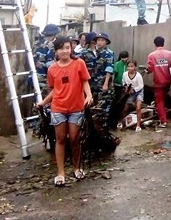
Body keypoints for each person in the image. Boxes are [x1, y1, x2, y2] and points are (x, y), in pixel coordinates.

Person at [35, 36, 93, 187]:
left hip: (76, 108)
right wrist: (43, 102)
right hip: (59, 108)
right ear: (56, 51)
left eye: (67, 47)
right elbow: (55, 90)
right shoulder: (52, 69)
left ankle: (76, 167)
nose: (65, 51)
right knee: (60, 139)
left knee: (74, 138)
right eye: (61, 48)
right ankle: (60, 173)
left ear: (71, 48)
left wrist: (89, 95)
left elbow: (84, 81)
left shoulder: (79, 63)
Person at [146, 36, 171, 128]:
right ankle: (162, 115)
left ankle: (163, 121)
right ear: (163, 43)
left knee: (159, 101)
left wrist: (147, 70)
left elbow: (150, 68)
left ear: (155, 44)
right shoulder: (170, 54)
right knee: (163, 98)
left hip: (158, 82)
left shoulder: (152, 55)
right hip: (168, 81)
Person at [33, 23, 60, 98]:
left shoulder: (37, 43)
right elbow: (50, 65)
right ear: (54, 34)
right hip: (45, 80)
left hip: (34, 78)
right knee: (45, 103)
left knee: (36, 101)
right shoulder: (50, 45)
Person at [92, 33, 115, 121]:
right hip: (96, 83)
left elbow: (109, 69)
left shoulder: (108, 53)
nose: (100, 42)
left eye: (102, 40)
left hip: (104, 83)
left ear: (106, 42)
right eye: (98, 40)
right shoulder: (96, 53)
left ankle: (104, 126)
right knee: (96, 106)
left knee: (104, 106)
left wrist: (105, 84)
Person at [118, 60, 145, 133]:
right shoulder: (125, 74)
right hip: (129, 92)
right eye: (129, 66)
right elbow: (123, 82)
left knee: (138, 108)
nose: (130, 68)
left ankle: (138, 125)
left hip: (138, 92)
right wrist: (126, 88)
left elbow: (141, 86)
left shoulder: (138, 75)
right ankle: (121, 122)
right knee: (125, 108)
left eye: (132, 66)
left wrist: (134, 90)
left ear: (135, 67)